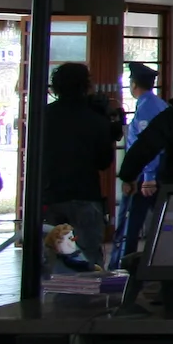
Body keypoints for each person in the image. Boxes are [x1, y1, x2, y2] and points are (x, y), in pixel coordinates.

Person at [41, 62, 116, 270]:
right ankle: (88, 298)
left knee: (52, 254)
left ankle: (53, 297)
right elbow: (104, 162)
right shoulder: (96, 119)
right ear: (86, 85)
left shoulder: (44, 116)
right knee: (89, 254)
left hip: (50, 194)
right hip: (85, 193)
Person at [110, 62, 167, 269]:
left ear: (133, 84)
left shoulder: (147, 107)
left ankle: (123, 268)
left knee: (130, 223)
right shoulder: (159, 104)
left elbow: (148, 145)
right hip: (153, 172)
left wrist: (146, 175)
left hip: (145, 175)